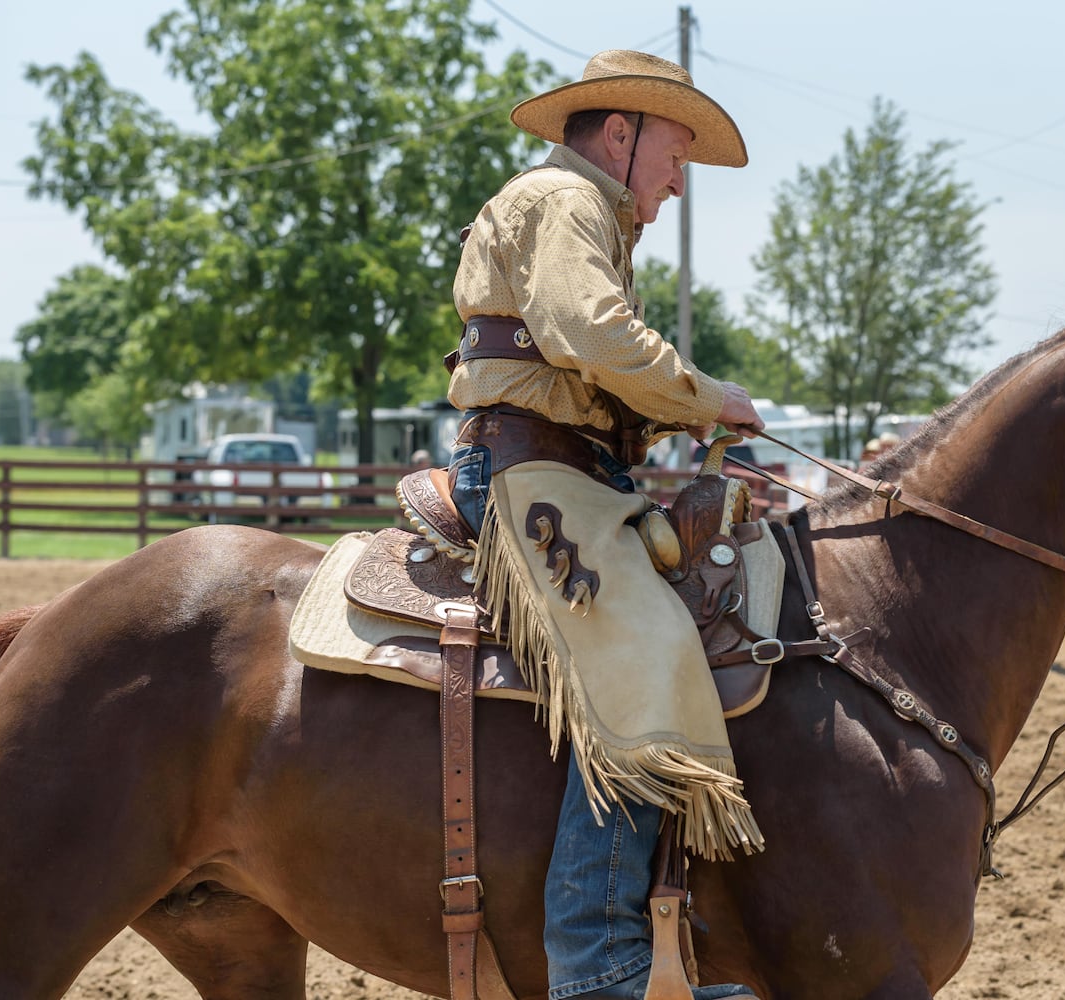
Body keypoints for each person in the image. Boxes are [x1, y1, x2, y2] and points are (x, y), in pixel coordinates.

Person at [443, 50, 765, 1000]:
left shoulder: (579, 207)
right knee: (644, 646)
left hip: (571, 468)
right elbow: (591, 333)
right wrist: (708, 397)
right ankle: (604, 970)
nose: (678, 178)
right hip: (529, 473)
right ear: (618, 134)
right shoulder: (565, 199)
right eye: (675, 152)